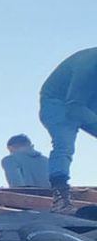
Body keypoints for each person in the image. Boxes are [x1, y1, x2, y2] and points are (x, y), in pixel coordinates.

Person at [39, 48, 97, 210]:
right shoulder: (88, 66)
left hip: (87, 100)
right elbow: (74, 107)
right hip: (58, 103)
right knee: (64, 146)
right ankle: (61, 195)